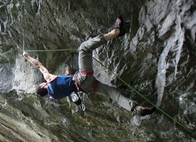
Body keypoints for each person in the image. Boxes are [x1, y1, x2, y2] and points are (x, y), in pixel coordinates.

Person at [23, 17, 156, 117]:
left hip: (86, 87)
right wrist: (28, 57)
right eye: (42, 83)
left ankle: (136, 108)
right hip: (82, 79)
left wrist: (70, 73)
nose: (43, 81)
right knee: (84, 49)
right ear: (43, 86)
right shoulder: (48, 80)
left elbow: (68, 87)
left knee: (112, 94)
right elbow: (39, 65)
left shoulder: (55, 96)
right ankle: (116, 32)